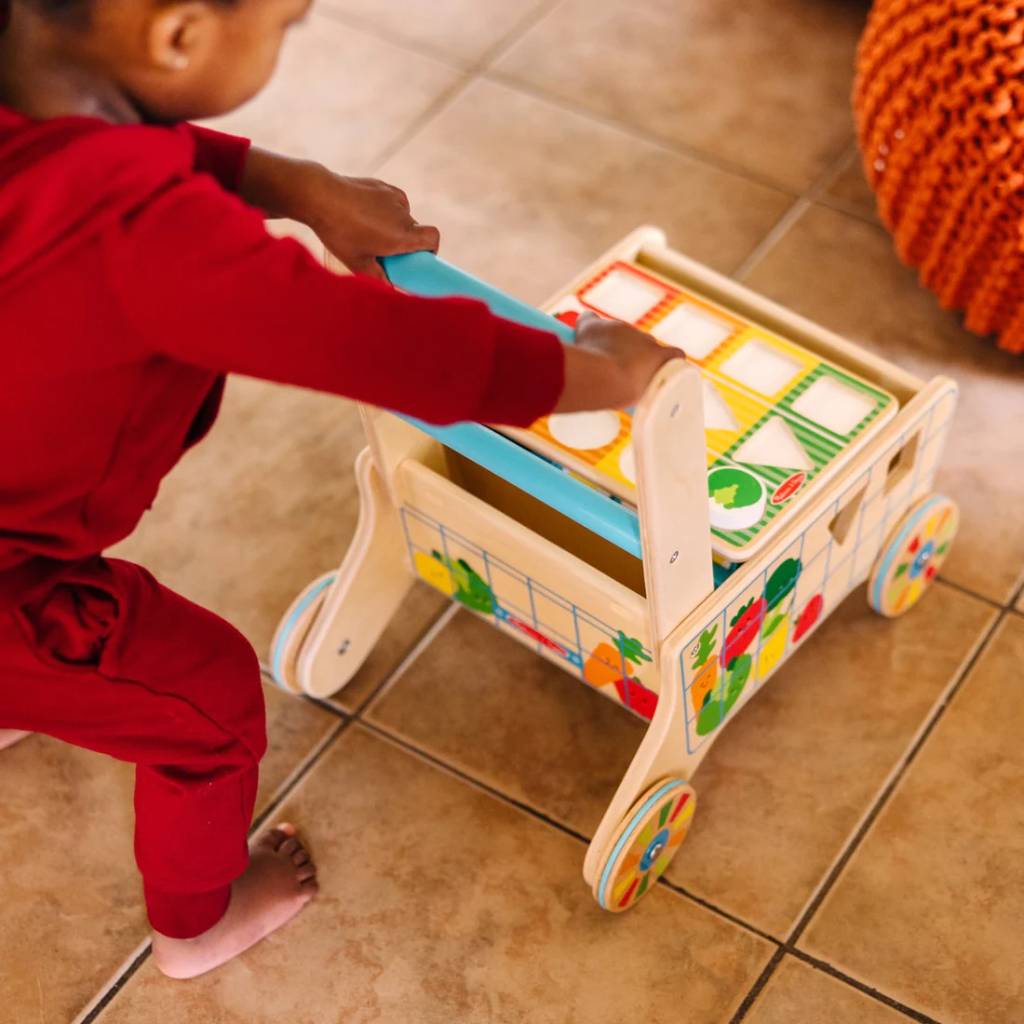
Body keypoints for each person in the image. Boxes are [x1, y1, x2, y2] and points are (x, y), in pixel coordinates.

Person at [0, 0, 679, 980]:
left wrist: (290, 183)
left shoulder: (32, 84)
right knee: (210, 699)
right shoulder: (142, 231)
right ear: (180, 35)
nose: (290, 34)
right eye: (288, 23)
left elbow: (110, 145)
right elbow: (367, 341)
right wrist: (594, 372)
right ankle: (198, 924)